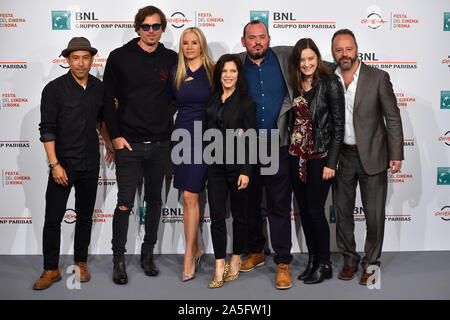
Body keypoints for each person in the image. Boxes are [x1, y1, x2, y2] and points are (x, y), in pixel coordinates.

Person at [103, 5, 177, 285]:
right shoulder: (120, 57)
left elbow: (178, 94)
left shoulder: (171, 58)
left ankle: (148, 255)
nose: (150, 31)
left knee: (154, 201)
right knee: (124, 203)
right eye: (145, 26)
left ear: (162, 28)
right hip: (128, 145)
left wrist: (163, 117)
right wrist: (115, 137)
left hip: (160, 144)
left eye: (156, 26)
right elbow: (108, 100)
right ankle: (118, 259)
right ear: (137, 28)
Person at [34, 37, 113, 290]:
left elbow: (101, 122)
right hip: (63, 165)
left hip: (90, 163)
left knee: (85, 217)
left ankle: (80, 263)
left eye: (85, 57)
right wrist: (55, 164)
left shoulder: (100, 89)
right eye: (75, 58)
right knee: (53, 219)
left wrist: (110, 144)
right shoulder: (54, 89)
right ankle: (51, 269)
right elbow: (47, 129)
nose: (81, 63)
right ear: (67, 60)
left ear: (92, 60)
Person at [330, 29, 404, 285]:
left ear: (357, 49)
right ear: (333, 53)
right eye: (339, 50)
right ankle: (349, 260)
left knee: (374, 216)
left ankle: (371, 265)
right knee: (342, 214)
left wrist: (396, 153)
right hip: (342, 157)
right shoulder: (329, 77)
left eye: (348, 48)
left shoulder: (378, 77)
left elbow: (392, 118)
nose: (344, 54)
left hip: (372, 155)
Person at [238, 20, 295, 289]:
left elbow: (314, 61)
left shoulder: (285, 57)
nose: (257, 42)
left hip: (276, 144)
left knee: (278, 206)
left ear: (270, 39)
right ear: (243, 41)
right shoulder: (235, 64)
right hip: (246, 146)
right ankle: (257, 252)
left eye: (262, 37)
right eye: (252, 38)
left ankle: (283, 261)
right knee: (249, 203)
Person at [288, 38, 344, 284]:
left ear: (318, 59)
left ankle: (324, 263)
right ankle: (312, 260)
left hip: (320, 157)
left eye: (311, 58)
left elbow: (338, 126)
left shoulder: (330, 83)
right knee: (305, 212)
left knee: (315, 210)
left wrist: (332, 162)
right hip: (296, 157)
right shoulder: (295, 84)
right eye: (302, 59)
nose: (307, 63)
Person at [203, 54, 256, 288]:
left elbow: (251, 138)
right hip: (214, 168)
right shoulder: (212, 101)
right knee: (217, 218)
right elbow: (207, 135)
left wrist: (246, 171)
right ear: (219, 74)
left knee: (239, 218)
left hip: (238, 169)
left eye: (233, 71)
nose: (228, 75)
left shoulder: (246, 102)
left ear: (239, 75)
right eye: (224, 71)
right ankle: (219, 264)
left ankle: (235, 259)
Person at [169, 27, 214, 281]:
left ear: (201, 45)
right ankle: (195, 247)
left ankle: (188, 254)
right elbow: (168, 103)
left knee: (190, 194)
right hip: (181, 137)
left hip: (205, 138)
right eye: (185, 43)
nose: (189, 47)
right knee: (187, 198)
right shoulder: (176, 72)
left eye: (194, 42)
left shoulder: (212, 70)